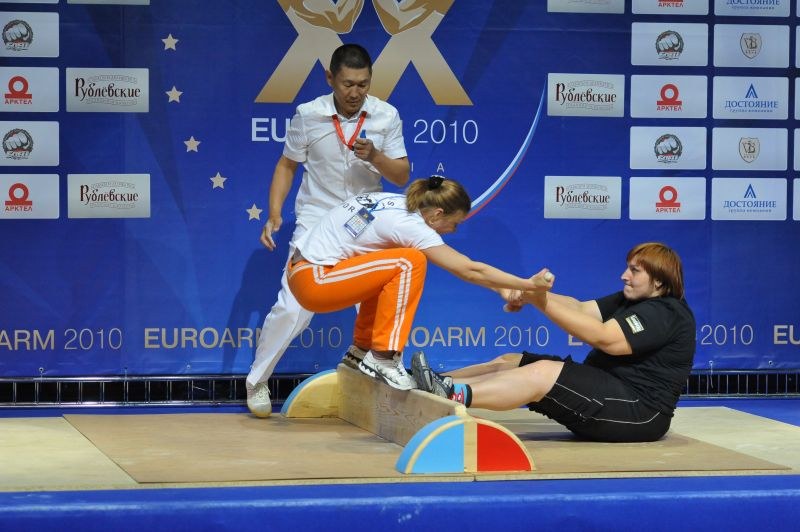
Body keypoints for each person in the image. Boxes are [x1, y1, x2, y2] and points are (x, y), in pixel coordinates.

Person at [247, 43, 411, 417]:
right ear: (330, 79)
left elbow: (402, 175)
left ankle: (384, 387)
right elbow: (287, 165)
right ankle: (257, 380)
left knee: (377, 305)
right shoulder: (308, 115)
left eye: (363, 84)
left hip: (366, 222)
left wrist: (376, 156)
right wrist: (274, 213)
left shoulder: (386, 115)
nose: (355, 92)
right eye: (348, 84)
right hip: (317, 222)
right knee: (292, 307)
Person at [286, 175, 553, 390]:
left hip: (306, 272)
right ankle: (383, 358)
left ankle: (361, 352)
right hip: (316, 281)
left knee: (391, 264)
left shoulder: (397, 204)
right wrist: (527, 284)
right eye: (454, 223)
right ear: (437, 214)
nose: (453, 231)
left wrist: (505, 289)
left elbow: (471, 271)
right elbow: (470, 269)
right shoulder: (410, 225)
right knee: (409, 262)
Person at [412, 242, 696, 443]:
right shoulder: (630, 299)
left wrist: (539, 300)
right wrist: (528, 290)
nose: (624, 275)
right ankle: (428, 385)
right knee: (513, 361)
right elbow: (580, 308)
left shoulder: (667, 312)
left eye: (635, 271)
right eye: (627, 268)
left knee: (542, 373)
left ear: (659, 282)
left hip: (640, 414)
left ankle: (451, 395)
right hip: (610, 393)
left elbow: (605, 338)